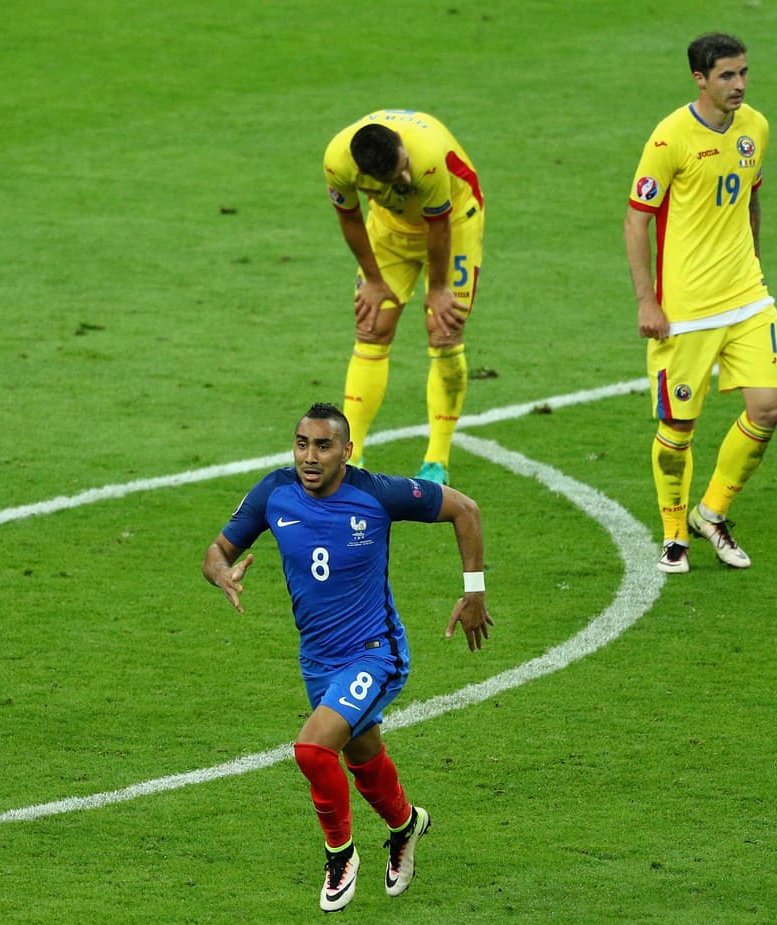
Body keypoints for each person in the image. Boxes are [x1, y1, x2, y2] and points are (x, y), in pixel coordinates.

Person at [202, 402, 492, 912]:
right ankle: (407, 826)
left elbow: (465, 509)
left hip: (375, 653)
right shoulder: (274, 492)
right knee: (361, 756)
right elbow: (217, 551)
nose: (309, 457)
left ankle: (340, 855)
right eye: (301, 444)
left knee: (313, 750)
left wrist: (475, 592)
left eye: (323, 446)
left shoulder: (376, 493)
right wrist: (221, 573)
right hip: (317, 660)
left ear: (346, 451)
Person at [623, 33, 777, 574]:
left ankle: (711, 513)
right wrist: (649, 302)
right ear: (700, 78)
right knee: (677, 433)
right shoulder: (671, 137)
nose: (738, 84)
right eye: (726, 76)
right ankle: (674, 536)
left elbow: (751, 199)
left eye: (743, 73)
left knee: (768, 407)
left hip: (746, 297)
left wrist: (756, 265)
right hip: (687, 311)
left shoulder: (755, 128)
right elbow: (637, 219)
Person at [324, 109, 485, 486]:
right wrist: (375, 281)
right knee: (372, 324)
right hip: (390, 228)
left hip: (455, 221)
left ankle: (437, 461)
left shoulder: (425, 157)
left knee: (444, 329)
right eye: (397, 178)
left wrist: (439, 288)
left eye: (404, 165)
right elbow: (349, 218)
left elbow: (439, 224)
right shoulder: (338, 164)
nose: (406, 177)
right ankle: (353, 457)